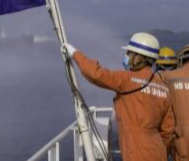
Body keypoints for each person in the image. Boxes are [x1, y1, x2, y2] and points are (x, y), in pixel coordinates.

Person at [63, 33, 175, 161]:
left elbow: (96, 74)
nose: (127, 56)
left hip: (136, 151)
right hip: (158, 151)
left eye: (129, 53)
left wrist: (75, 53)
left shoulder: (127, 80)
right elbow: (168, 130)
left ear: (139, 57)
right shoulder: (163, 87)